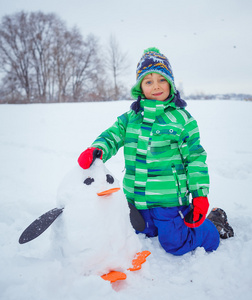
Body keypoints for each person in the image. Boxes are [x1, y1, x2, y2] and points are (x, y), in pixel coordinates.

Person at [78, 47, 234, 255]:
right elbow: (112, 136)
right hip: (136, 199)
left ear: (170, 82)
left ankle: (213, 225)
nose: (156, 86)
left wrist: (199, 195)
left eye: (161, 80)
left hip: (168, 200)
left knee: (175, 244)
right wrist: (98, 149)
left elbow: (195, 159)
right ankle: (152, 224)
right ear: (140, 87)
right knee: (141, 232)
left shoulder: (182, 120)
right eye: (148, 81)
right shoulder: (130, 118)